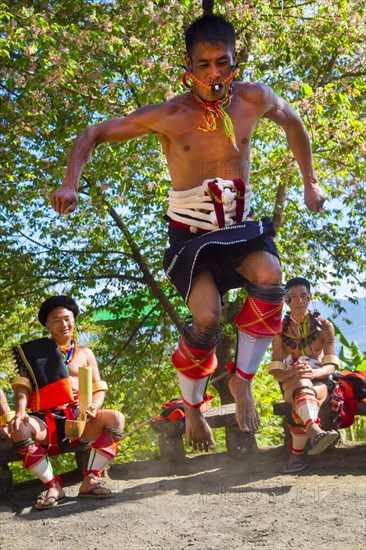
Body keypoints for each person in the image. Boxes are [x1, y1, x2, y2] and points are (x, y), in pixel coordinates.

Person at [50, 14, 326, 452]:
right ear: (188, 64)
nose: (214, 74)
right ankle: (193, 407)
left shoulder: (255, 98)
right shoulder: (170, 114)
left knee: (271, 275)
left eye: (223, 63)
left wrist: (310, 180)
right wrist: (70, 182)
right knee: (206, 319)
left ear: (236, 61)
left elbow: (294, 124)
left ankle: (243, 382)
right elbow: (93, 133)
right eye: (204, 64)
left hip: (239, 230)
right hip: (191, 238)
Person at [8, 295, 125, 510]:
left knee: (116, 418)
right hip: (46, 417)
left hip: (80, 416)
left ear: (74, 320)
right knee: (19, 429)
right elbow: (22, 385)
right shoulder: (35, 353)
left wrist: (94, 406)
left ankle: (90, 481)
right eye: (56, 320)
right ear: (47, 324)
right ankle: (53, 486)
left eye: (67, 318)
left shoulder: (85, 353)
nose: (64, 324)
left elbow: (99, 388)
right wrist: (21, 410)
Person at [270, 277, 339, 473]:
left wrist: (315, 372)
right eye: (293, 297)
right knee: (301, 384)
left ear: (310, 298)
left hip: (321, 381)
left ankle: (297, 455)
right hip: (291, 381)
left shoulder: (325, 326)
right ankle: (315, 433)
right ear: (286, 301)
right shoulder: (279, 332)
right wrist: (291, 372)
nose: (299, 301)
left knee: (305, 395)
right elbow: (276, 371)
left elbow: (331, 365)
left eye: (303, 296)